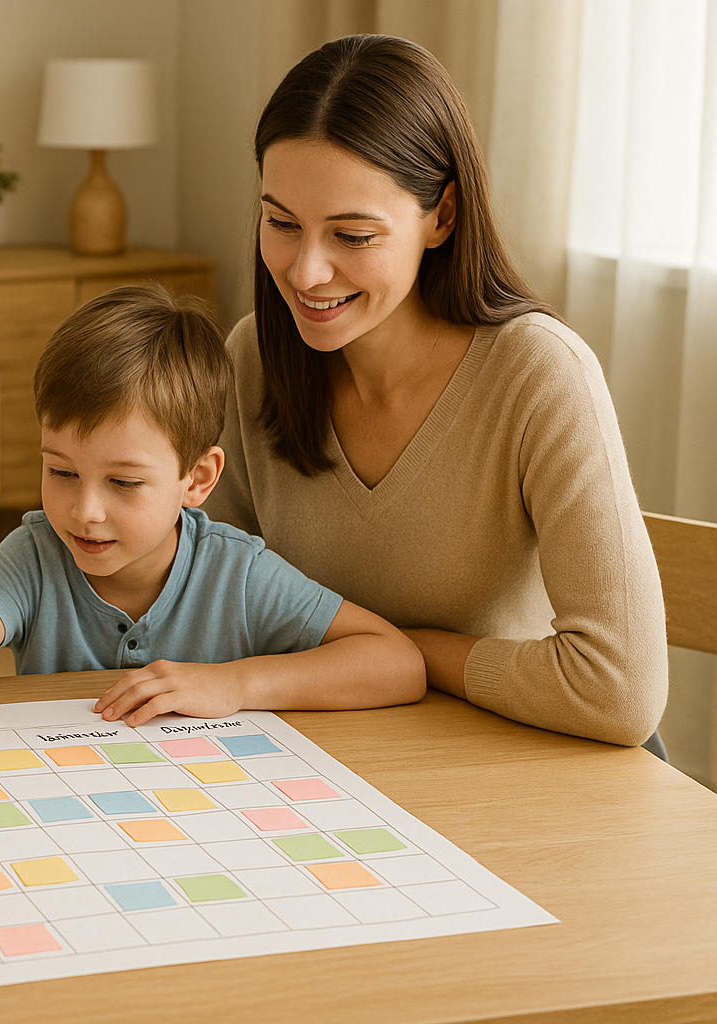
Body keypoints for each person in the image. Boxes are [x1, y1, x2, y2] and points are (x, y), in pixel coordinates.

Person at [205, 34, 667, 747]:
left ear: (442, 217)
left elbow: (620, 692)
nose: (305, 273)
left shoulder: (539, 376)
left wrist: (399, 656)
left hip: (514, 767)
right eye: (281, 223)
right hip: (318, 761)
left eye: (353, 235)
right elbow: (210, 608)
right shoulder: (254, 358)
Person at [0, 284, 426, 812]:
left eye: (124, 483)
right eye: (62, 471)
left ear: (197, 479)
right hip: (60, 807)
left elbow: (396, 664)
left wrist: (237, 683)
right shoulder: (34, 558)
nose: (85, 511)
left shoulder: (237, 572)